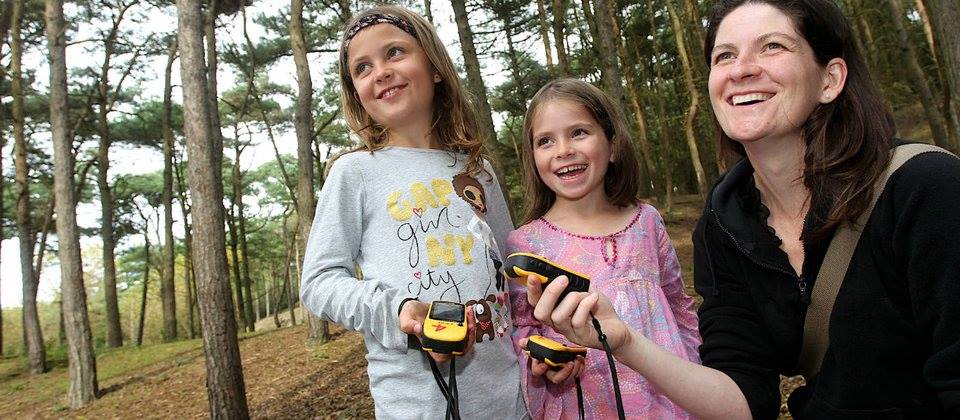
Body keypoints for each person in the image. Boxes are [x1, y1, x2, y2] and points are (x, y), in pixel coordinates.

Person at [522, 0, 960, 419]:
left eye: (772, 46)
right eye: (724, 55)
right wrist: (624, 342)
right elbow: (744, 401)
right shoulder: (724, 226)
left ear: (830, 79)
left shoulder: (927, 189)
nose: (742, 69)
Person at [299, 6, 527, 418]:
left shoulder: (478, 170)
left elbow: (512, 275)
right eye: (362, 67)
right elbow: (318, 282)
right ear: (356, 93)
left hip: (509, 400)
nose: (381, 71)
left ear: (435, 67)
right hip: (417, 406)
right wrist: (396, 309)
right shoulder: (355, 172)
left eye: (395, 52)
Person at [507, 78, 701, 419]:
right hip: (588, 402)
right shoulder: (526, 244)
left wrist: (698, 373)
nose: (563, 149)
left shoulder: (647, 221)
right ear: (533, 158)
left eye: (579, 132)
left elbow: (678, 304)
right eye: (545, 141)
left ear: (612, 145)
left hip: (670, 398)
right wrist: (541, 362)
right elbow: (523, 328)